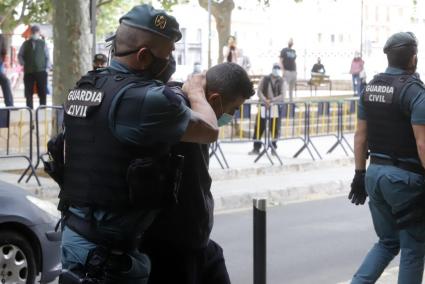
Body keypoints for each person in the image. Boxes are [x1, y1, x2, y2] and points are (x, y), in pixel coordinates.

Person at [55, 5, 219, 283]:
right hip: (108, 260)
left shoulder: (86, 86)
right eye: (167, 56)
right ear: (144, 56)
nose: (170, 63)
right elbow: (209, 130)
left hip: (76, 240)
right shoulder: (147, 100)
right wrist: (196, 92)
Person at [140, 62, 254, 284]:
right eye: (234, 108)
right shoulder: (178, 113)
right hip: (172, 246)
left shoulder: (197, 109)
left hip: (195, 241)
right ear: (214, 99)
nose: (232, 116)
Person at [349, 32, 425, 284]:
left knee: (387, 241)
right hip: (406, 181)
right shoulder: (416, 92)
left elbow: (360, 137)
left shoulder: (370, 89)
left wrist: (359, 175)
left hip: (374, 176)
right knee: (413, 248)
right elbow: (422, 144)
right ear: (413, 58)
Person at [249, 63, 284, 155]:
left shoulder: (281, 80)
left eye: (278, 68)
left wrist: (272, 101)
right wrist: (265, 100)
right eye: (275, 68)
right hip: (263, 105)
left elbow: (282, 95)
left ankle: (273, 148)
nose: (276, 70)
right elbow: (259, 91)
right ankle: (256, 148)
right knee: (259, 126)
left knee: (274, 128)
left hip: (274, 107)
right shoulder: (265, 78)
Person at [18, 25, 49, 109]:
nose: (34, 34)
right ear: (31, 33)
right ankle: (29, 109)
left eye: (36, 32)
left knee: (42, 91)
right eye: (33, 32)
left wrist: (47, 68)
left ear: (38, 33)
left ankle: (43, 108)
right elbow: (20, 55)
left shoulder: (43, 44)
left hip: (41, 71)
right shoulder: (25, 44)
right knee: (28, 92)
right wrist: (23, 63)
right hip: (28, 71)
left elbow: (47, 57)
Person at [0, 16, 13, 106]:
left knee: (5, 81)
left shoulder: (1, 38)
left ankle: (10, 105)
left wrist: (4, 61)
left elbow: (4, 51)